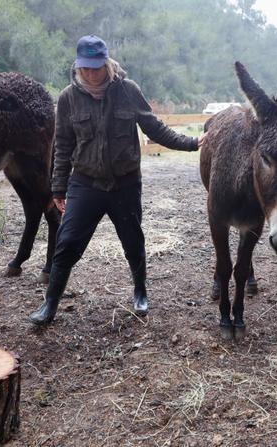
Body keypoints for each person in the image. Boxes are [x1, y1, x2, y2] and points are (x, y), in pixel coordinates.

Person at [29, 35, 202, 325]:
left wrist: (193, 143)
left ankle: (140, 291)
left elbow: (156, 128)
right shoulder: (68, 98)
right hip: (85, 182)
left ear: (107, 64)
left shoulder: (128, 90)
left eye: (96, 67)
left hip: (125, 182)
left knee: (133, 239)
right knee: (67, 241)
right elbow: (62, 147)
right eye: (85, 67)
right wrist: (58, 188)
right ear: (77, 66)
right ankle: (50, 303)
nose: (90, 73)